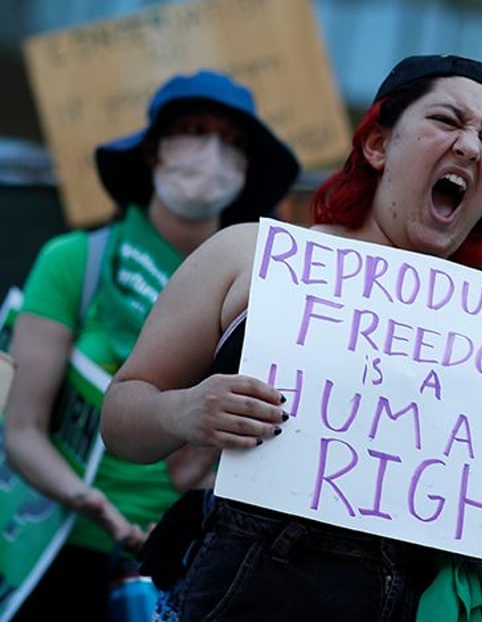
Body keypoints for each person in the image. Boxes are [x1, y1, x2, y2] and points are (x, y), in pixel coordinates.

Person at [99, 54, 482, 621]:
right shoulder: (250, 255)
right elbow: (122, 419)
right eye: (448, 121)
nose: (471, 147)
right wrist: (184, 412)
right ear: (378, 144)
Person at [3, 68, 300, 621]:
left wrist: (195, 503)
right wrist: (85, 500)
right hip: (55, 554)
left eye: (233, 143)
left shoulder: (263, 287)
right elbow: (21, 429)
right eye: (192, 129)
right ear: (152, 152)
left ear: (246, 172)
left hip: (184, 563)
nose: (212, 152)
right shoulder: (74, 261)